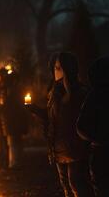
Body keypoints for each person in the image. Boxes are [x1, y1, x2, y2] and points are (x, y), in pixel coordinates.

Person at [27, 52, 94, 197]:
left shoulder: (79, 92)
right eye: (55, 68)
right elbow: (53, 119)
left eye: (59, 68)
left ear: (69, 69)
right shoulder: (54, 93)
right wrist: (35, 110)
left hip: (75, 148)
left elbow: (81, 120)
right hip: (59, 148)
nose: (56, 72)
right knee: (66, 187)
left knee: (77, 184)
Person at [77, 57, 109, 197]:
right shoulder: (94, 95)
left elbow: (81, 126)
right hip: (101, 153)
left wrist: (97, 139)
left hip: (101, 154)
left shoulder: (94, 95)